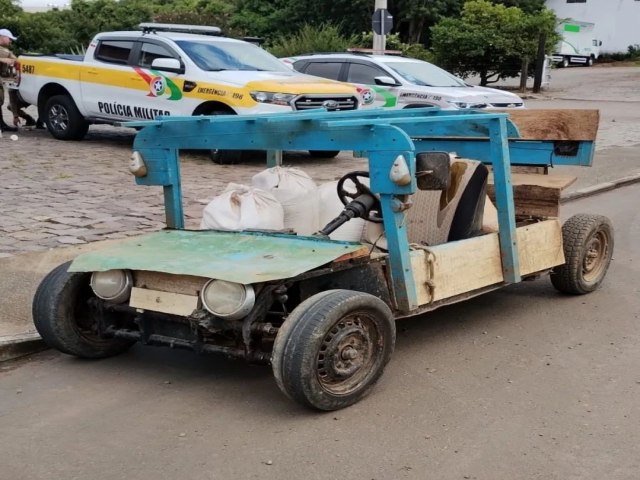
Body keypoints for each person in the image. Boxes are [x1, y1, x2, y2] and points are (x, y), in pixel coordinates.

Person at [0, 28, 43, 132]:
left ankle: (1, 125)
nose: (11, 41)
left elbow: (17, 60)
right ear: (2, 37)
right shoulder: (3, 52)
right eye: (9, 38)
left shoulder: (5, 51)